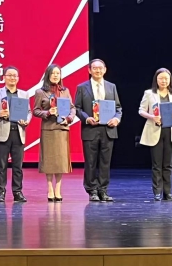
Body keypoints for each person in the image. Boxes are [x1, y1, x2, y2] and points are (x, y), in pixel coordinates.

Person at [75, 58, 122, 202]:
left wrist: (116, 119)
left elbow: (118, 108)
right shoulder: (82, 87)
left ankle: (103, 190)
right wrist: (86, 118)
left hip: (108, 130)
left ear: (105, 70)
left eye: (100, 68)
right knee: (90, 162)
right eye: (94, 68)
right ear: (89, 70)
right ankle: (92, 191)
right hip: (90, 129)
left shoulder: (111, 87)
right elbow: (77, 108)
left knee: (105, 162)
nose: (98, 70)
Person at [0, 66, 31, 203]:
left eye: (15, 76)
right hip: (3, 132)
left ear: (18, 78)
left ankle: (17, 192)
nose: (12, 78)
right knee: (2, 166)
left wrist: (27, 120)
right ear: (4, 77)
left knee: (18, 166)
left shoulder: (24, 94)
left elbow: (29, 112)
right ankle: (1, 192)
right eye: (10, 75)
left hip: (18, 132)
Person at [33, 64, 75, 202]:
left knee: (61, 161)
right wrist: (47, 112)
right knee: (49, 161)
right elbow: (35, 111)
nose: (56, 75)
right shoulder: (41, 92)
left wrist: (69, 118)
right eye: (53, 73)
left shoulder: (65, 91)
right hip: (48, 129)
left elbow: (72, 108)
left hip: (62, 129)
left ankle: (58, 188)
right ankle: (50, 188)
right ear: (48, 75)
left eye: (58, 73)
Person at [138, 68, 172, 201]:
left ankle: (168, 193)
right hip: (155, 130)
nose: (163, 81)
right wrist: (152, 117)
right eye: (161, 78)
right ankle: (157, 192)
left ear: (170, 80)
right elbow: (141, 110)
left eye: (166, 78)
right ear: (156, 80)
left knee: (168, 165)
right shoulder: (149, 93)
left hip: (171, 131)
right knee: (157, 164)